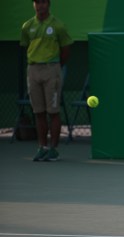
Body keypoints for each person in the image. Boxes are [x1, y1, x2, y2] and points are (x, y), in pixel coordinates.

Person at [20, 0, 73, 161]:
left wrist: (55, 67)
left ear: (48, 4)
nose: (40, 5)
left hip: (52, 70)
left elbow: (65, 50)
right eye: (37, 2)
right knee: (39, 112)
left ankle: (53, 149)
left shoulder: (58, 26)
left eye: (43, 2)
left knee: (53, 111)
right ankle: (42, 147)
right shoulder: (27, 26)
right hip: (33, 70)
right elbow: (26, 47)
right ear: (33, 5)